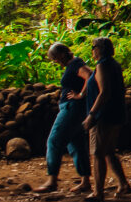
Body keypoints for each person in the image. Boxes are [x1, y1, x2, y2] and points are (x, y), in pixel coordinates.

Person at [36, 43, 92, 193]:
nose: (55, 62)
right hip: (75, 108)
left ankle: (52, 180)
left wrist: (80, 95)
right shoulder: (74, 64)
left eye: (54, 58)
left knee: (54, 141)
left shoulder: (75, 64)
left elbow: (90, 75)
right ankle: (85, 181)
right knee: (77, 144)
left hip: (71, 108)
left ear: (61, 55)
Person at [82, 36, 131, 202]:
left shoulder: (102, 65)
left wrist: (92, 115)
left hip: (104, 115)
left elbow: (104, 92)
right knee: (109, 151)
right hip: (116, 113)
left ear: (100, 49)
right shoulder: (114, 64)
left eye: (94, 47)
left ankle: (98, 192)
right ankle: (123, 184)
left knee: (97, 153)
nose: (92, 50)